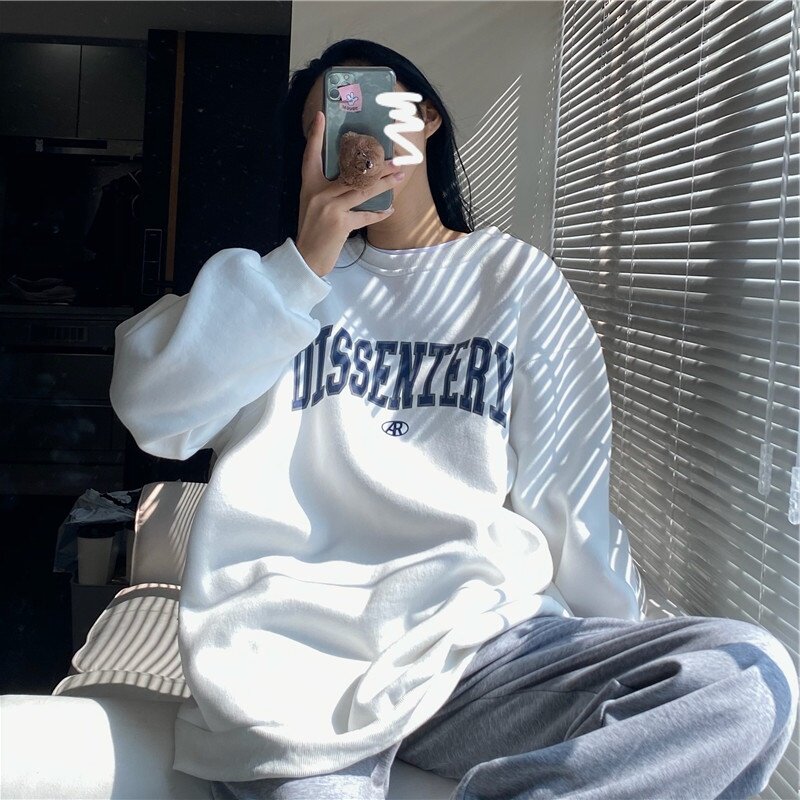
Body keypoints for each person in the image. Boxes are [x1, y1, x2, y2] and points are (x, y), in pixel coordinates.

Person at [109, 38, 798, 800]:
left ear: (428, 116)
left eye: (370, 105)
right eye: (327, 125)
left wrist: (616, 638)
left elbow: (567, 493)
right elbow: (153, 413)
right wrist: (302, 267)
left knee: (747, 678)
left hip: (479, 651)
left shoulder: (514, 281)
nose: (359, 138)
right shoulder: (268, 292)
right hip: (295, 666)